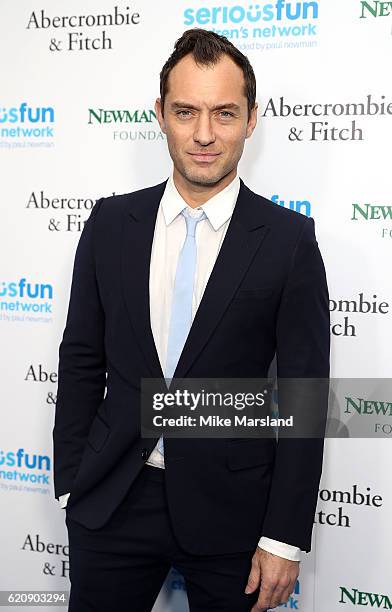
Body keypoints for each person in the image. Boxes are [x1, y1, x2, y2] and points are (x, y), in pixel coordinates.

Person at [53, 28, 330, 612]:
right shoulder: (109, 224)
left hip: (234, 515)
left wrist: (283, 536)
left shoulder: (289, 241)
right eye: (186, 111)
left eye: (224, 113)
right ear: (160, 114)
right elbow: (81, 360)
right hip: (112, 503)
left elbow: (305, 396)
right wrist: (73, 483)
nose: (204, 134)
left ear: (252, 118)